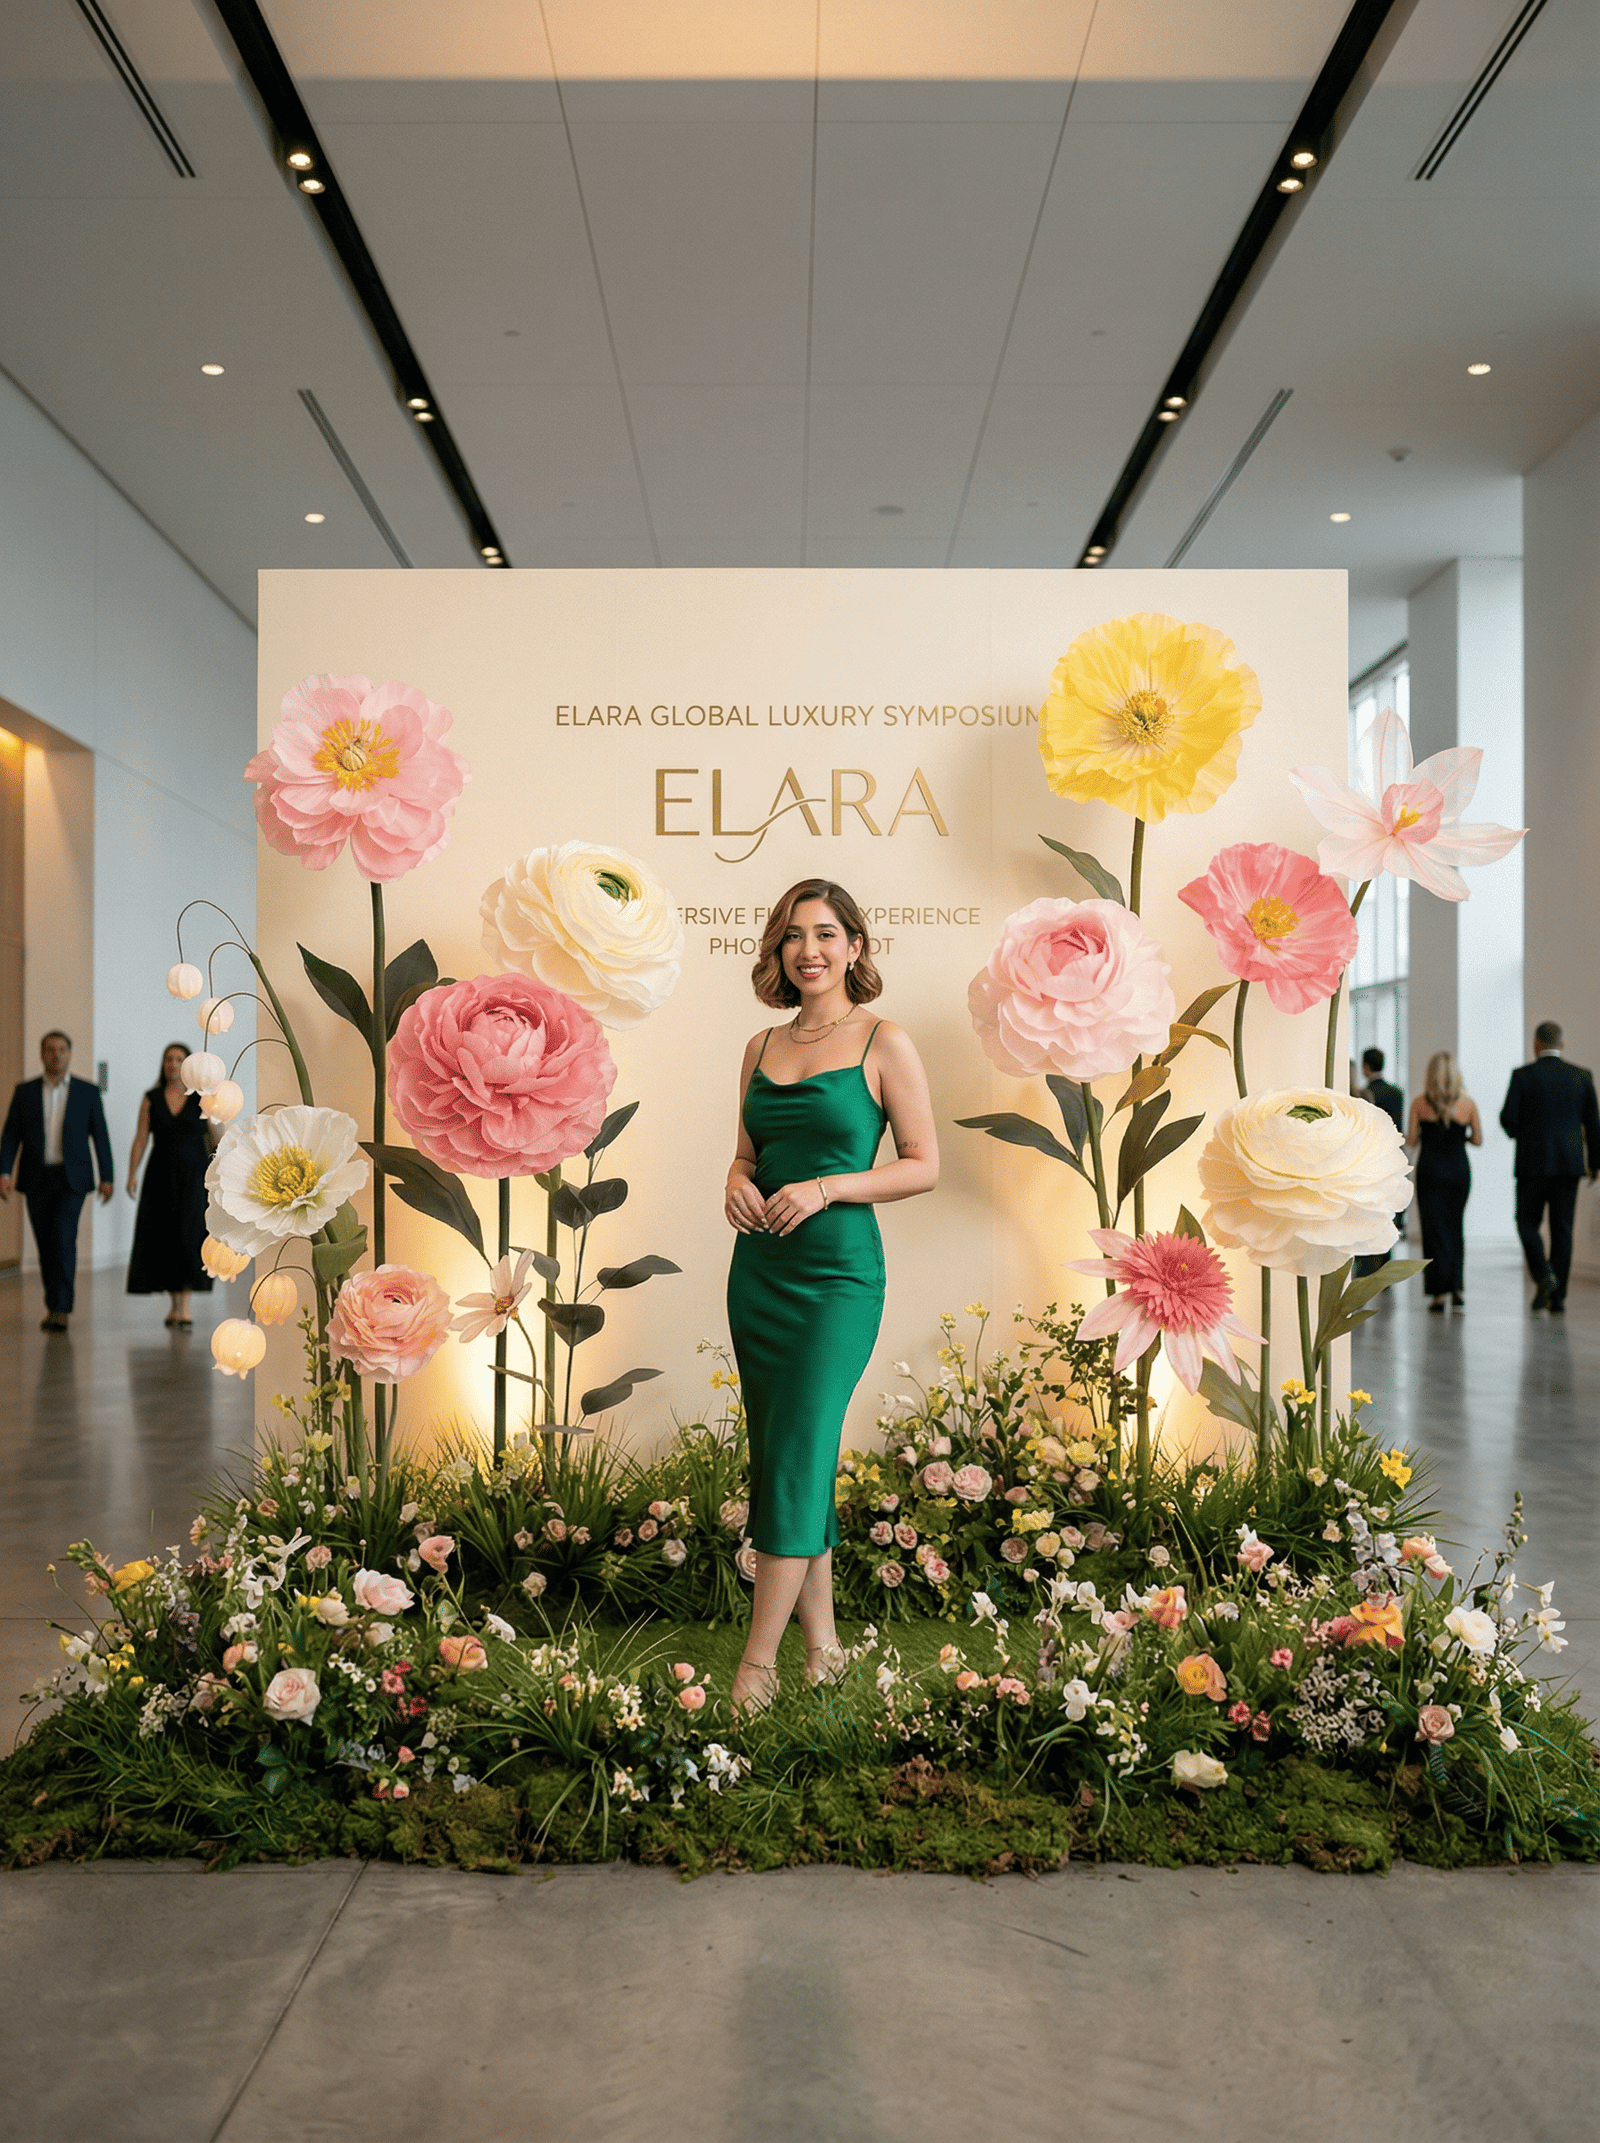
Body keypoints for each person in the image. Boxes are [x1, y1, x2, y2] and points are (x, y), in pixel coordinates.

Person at [724, 878, 938, 1712]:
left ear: (855, 946)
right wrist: (733, 1182)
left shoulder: (886, 1042)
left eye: (825, 933)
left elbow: (922, 1164)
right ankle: (824, 1651)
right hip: (760, 1276)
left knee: (797, 1452)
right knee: (788, 1459)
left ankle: (755, 1667)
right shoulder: (759, 1045)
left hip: (837, 1277)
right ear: (779, 952)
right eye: (792, 936)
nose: (808, 949)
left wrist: (827, 1187)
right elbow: (746, 1153)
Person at [0, 1030, 115, 1332]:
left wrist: (108, 1177)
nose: (56, 1055)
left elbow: (100, 1135)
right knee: (45, 1244)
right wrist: (5, 1172)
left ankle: (61, 1308)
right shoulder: (24, 1092)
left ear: (69, 1053)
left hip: (71, 1180)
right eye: (50, 1050)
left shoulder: (87, 1092)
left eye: (62, 1049)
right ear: (41, 1054)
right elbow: (11, 1135)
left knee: (63, 1240)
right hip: (37, 1178)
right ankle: (53, 1304)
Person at [1500, 1021, 1600, 1312]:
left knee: (1526, 1223)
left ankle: (1544, 1275)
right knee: (1563, 1229)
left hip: (1532, 1164)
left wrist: (1526, 1134)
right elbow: (1593, 1125)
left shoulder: (1523, 1076)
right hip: (1569, 1164)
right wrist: (1595, 1163)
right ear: (1562, 1044)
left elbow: (1508, 1119)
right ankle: (1558, 1297)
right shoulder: (1581, 1076)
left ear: (1536, 1044)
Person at [125, 1041, 216, 1327]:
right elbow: (141, 1139)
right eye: (169, 1059)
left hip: (193, 1177)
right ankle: (174, 1304)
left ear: (187, 1065)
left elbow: (217, 1138)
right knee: (165, 1236)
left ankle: (185, 1305)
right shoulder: (151, 1097)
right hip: (160, 1176)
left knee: (189, 1234)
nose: (173, 1064)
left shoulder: (202, 1097)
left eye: (179, 1059)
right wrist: (131, 1174)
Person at [1406, 1051, 1482, 1312]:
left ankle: (1438, 1294)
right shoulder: (1468, 1104)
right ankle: (1457, 1288)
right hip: (1459, 1170)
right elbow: (1478, 1140)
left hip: (1431, 1171)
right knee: (1455, 1228)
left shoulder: (1419, 1103)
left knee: (1433, 1230)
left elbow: (1412, 1141)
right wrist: (1460, 1137)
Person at [1355, 1048, 1406, 1277]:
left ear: (1366, 1067)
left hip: (1372, 1155)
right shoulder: (1397, 1093)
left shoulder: (1364, 1094)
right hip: (1392, 1155)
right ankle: (1386, 1260)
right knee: (1388, 1208)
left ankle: (1372, 1263)